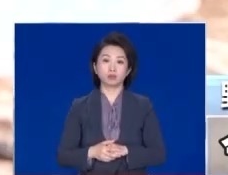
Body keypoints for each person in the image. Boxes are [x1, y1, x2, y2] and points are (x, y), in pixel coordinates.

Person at [57, 32, 167, 173]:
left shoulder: (143, 105)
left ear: (128, 70)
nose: (112, 68)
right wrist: (92, 152)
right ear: (95, 67)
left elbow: (158, 154)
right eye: (106, 60)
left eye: (120, 62)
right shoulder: (79, 106)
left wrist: (127, 151)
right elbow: (63, 156)